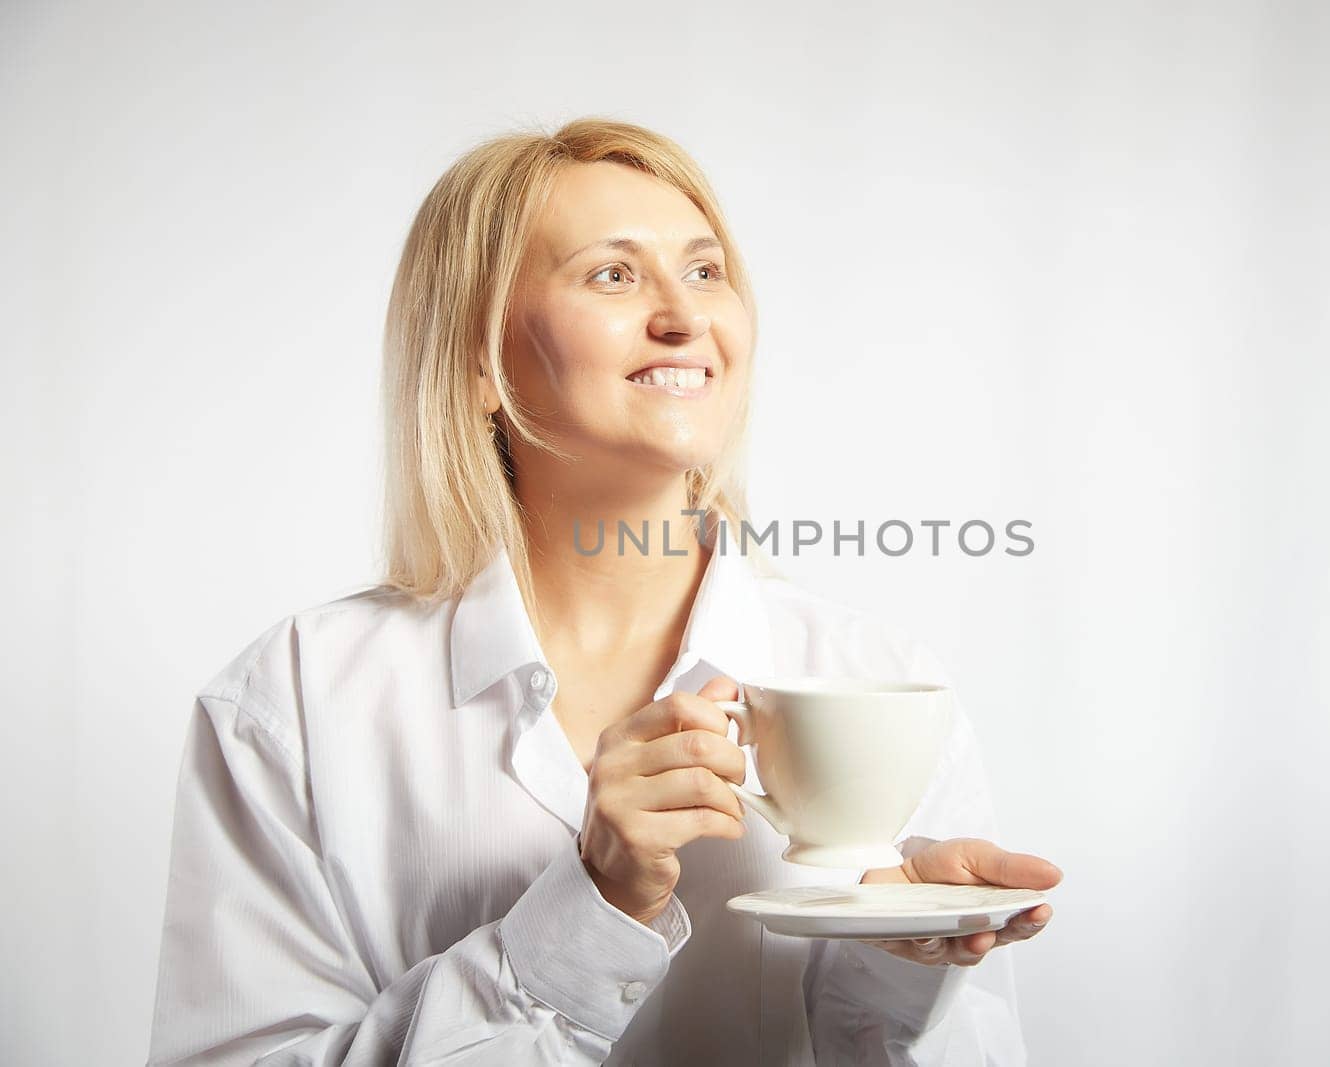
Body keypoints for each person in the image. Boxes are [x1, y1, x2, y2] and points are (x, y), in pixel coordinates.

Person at [146, 118, 1061, 1065]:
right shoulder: (291, 703)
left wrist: (904, 959)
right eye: (612, 275)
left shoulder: (884, 680)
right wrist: (588, 911)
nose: (685, 317)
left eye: (706, 272)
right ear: (479, 361)